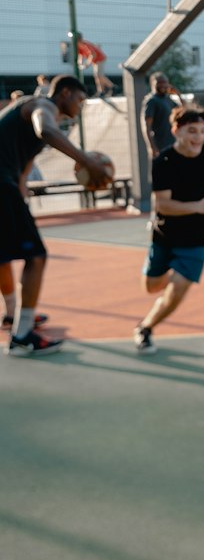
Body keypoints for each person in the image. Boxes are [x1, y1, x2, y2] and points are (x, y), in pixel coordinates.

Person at [1, 76, 113, 355]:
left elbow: (26, 162)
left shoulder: (27, 115)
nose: (81, 105)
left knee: (3, 255)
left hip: (7, 184)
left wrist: (22, 190)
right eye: (80, 99)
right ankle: (23, 335)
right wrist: (85, 159)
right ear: (64, 93)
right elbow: (45, 131)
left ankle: (14, 314)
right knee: (36, 257)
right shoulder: (42, 106)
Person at [133, 105, 204, 354]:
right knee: (151, 287)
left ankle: (146, 328)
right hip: (165, 234)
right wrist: (199, 205)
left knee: (180, 287)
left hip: (196, 238)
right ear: (176, 131)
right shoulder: (164, 162)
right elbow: (163, 205)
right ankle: (172, 274)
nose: (198, 137)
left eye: (202, 131)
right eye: (192, 131)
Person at [143, 73, 182, 159]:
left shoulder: (168, 99)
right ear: (152, 84)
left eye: (165, 82)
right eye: (159, 82)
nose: (163, 85)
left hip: (173, 144)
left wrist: (178, 94)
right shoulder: (152, 101)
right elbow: (147, 127)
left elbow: (185, 110)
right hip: (160, 146)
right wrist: (153, 148)